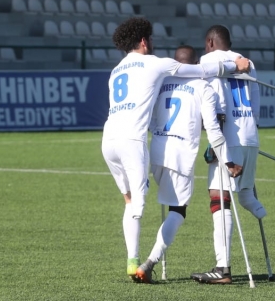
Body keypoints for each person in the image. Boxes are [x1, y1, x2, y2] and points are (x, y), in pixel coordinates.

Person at [101, 18, 251, 282]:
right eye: (151, 39)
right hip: (162, 149)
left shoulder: (117, 71)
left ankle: (132, 259)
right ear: (144, 41)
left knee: (130, 202)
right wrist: (233, 66)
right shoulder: (161, 66)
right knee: (171, 209)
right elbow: (205, 75)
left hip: (119, 141)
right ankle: (147, 263)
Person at [134, 45, 243, 284]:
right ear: (196, 64)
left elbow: (150, 119)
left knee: (172, 207)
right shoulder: (203, 87)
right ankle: (149, 263)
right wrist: (228, 161)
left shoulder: (161, 83)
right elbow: (213, 128)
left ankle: (147, 261)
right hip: (181, 154)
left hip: (157, 151)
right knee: (178, 211)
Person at [191, 25, 267, 285]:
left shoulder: (208, 61)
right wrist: (251, 129)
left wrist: (217, 143)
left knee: (219, 197)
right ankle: (256, 207)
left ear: (210, 42)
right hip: (250, 137)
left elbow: (217, 105)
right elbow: (255, 101)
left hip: (229, 138)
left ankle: (222, 269)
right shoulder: (248, 62)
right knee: (244, 191)